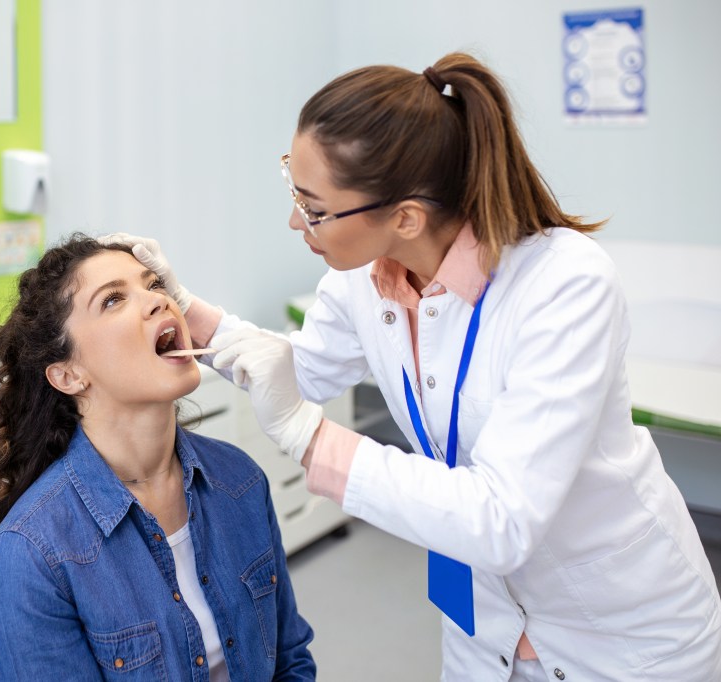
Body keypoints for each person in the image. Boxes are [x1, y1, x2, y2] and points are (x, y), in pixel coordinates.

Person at [105, 52, 721, 680]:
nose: (296, 220)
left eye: (314, 208)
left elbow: (501, 521)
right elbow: (303, 368)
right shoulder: (362, 281)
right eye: (293, 185)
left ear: (405, 217)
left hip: (622, 635)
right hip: (483, 622)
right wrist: (191, 314)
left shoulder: (565, 284)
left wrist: (307, 435)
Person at [0, 234, 315, 680]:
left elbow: (291, 660)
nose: (158, 302)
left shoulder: (241, 480)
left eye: (154, 285)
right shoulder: (32, 555)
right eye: (113, 300)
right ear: (69, 374)